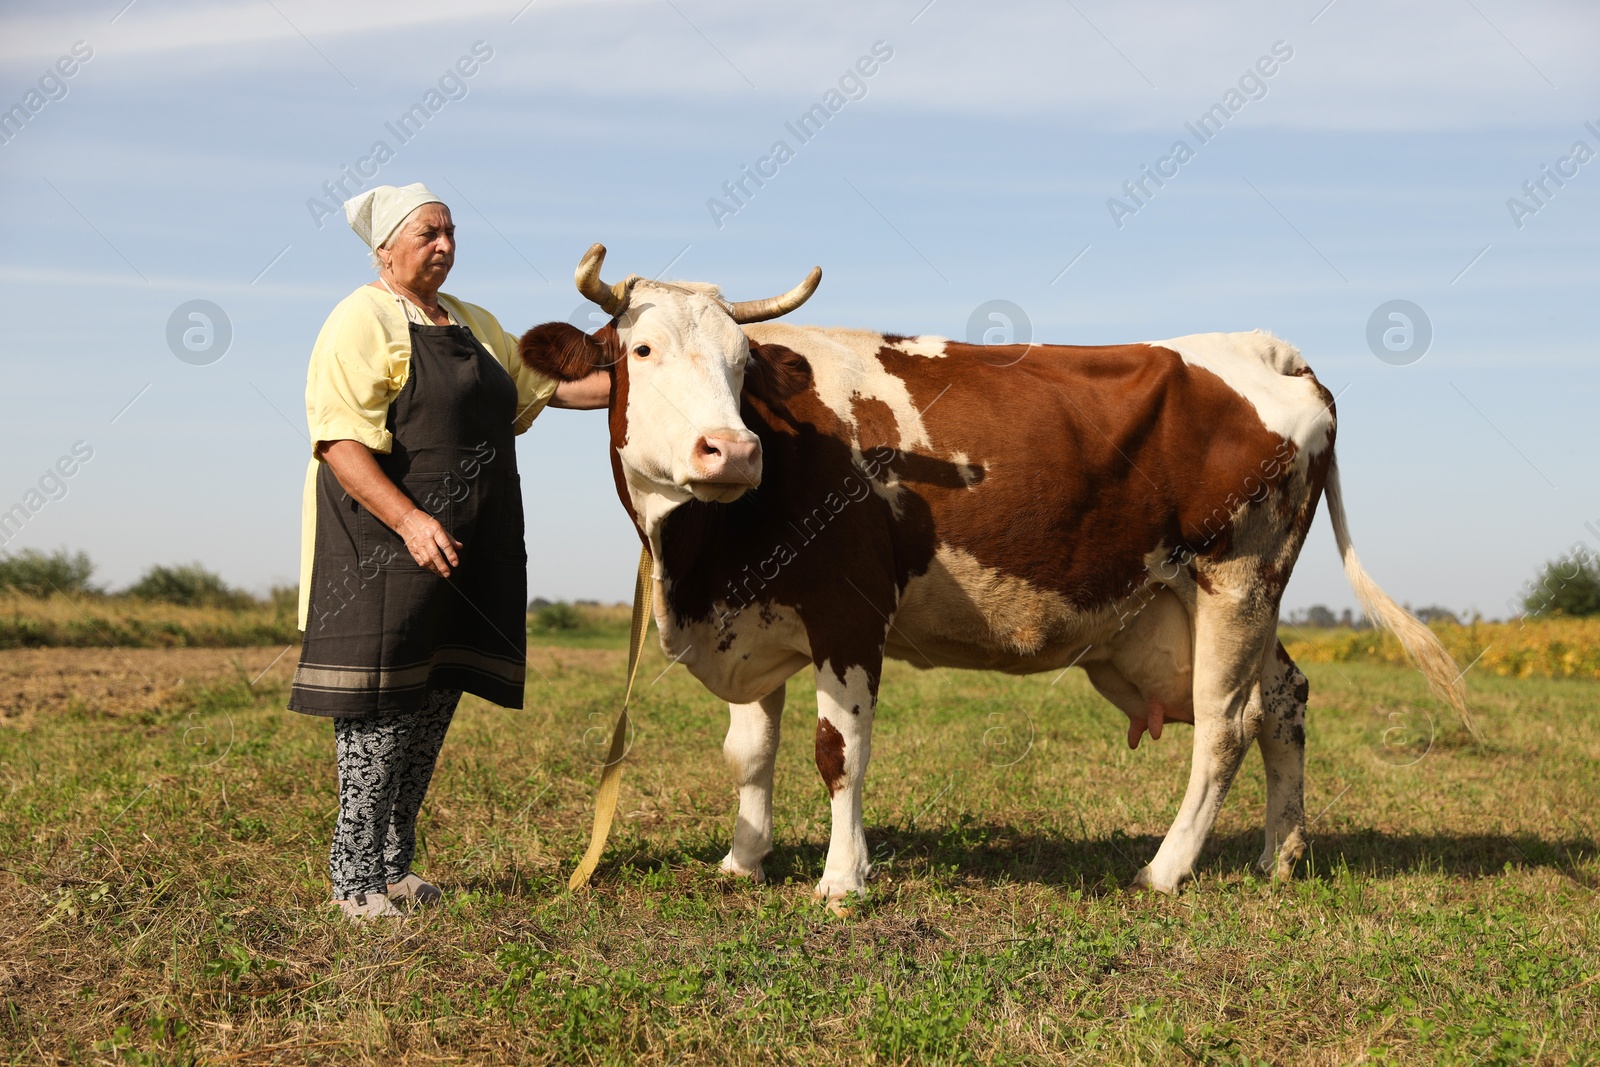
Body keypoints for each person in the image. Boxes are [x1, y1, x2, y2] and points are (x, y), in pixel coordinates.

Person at [288, 182, 609, 922]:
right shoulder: (360, 318)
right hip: (382, 544)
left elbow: (557, 390)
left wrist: (647, 366)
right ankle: (352, 878)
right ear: (385, 248)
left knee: (431, 706)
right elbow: (339, 440)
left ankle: (393, 866)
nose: (445, 245)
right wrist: (407, 519)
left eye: (451, 232)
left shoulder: (472, 322)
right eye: (429, 233)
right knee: (380, 713)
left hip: (464, 544)